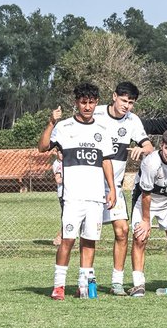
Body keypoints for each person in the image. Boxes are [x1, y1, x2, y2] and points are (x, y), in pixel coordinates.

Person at [39, 83, 116, 300]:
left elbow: (106, 161)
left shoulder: (102, 131)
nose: (88, 106)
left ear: (96, 103)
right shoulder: (64, 127)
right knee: (68, 240)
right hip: (72, 198)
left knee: (90, 240)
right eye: (83, 102)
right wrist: (51, 122)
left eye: (91, 102)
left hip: (95, 198)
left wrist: (111, 189)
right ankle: (58, 286)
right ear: (76, 103)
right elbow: (43, 147)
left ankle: (84, 285)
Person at [92, 80, 153, 295]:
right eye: (124, 100)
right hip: (89, 186)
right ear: (114, 96)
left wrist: (141, 148)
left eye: (131, 103)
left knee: (122, 231)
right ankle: (84, 279)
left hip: (113, 188)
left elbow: (149, 146)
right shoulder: (96, 114)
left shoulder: (132, 120)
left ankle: (116, 282)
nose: (126, 106)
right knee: (86, 236)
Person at [129, 128, 167, 296]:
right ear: (161, 145)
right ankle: (138, 284)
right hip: (145, 201)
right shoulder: (151, 163)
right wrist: (145, 220)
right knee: (140, 238)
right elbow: (146, 194)